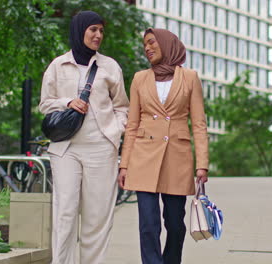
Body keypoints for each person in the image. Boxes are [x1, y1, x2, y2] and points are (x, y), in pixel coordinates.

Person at [39, 11, 129, 264]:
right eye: (93, 30)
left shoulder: (110, 66)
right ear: (80, 31)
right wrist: (68, 101)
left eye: (101, 30)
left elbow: (123, 106)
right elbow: (45, 104)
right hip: (65, 149)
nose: (98, 35)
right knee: (65, 213)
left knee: (97, 217)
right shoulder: (57, 65)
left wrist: (116, 129)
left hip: (101, 149)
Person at [118, 28, 209, 264]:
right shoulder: (140, 78)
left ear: (167, 44)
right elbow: (132, 124)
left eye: (151, 43)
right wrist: (124, 164)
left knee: (175, 224)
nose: (147, 48)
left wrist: (202, 164)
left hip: (177, 159)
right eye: (145, 45)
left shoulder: (189, 77)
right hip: (143, 157)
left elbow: (199, 124)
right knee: (148, 224)